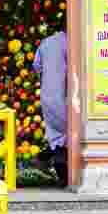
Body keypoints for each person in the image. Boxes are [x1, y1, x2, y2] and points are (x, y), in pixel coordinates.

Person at [35, 29, 69, 180]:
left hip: (47, 96)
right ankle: (62, 175)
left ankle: (44, 159)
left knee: (57, 136)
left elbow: (37, 67)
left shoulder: (46, 42)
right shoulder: (70, 42)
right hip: (64, 96)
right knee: (65, 136)